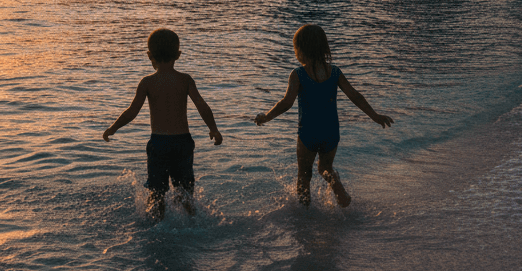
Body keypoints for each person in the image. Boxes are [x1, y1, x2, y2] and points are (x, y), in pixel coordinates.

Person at [254, 24, 392, 208]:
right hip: (331, 132)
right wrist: (374, 116)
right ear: (323, 48)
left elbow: (286, 103)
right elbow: (355, 96)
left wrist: (267, 116)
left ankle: (304, 213)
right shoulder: (334, 72)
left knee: (304, 174)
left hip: (308, 133)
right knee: (325, 168)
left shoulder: (298, 74)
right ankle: (340, 192)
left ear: (301, 50)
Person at [103, 28, 223, 221]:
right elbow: (202, 105)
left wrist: (113, 128)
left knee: (156, 194)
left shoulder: (147, 82)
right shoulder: (185, 80)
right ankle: (193, 223)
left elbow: (132, 112)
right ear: (178, 55)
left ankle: (157, 227)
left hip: (159, 144)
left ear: (149, 55)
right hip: (183, 143)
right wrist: (213, 129)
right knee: (185, 192)